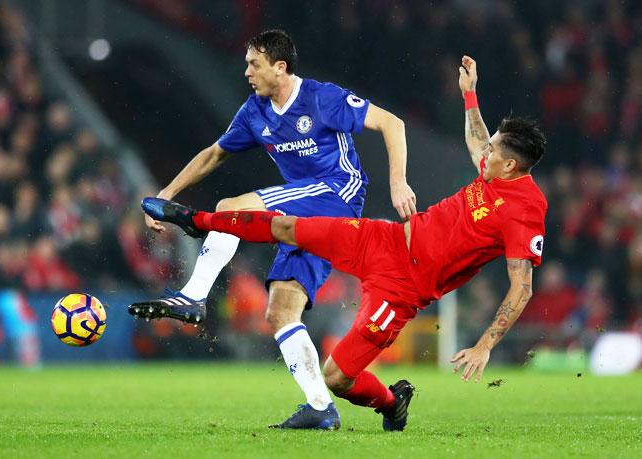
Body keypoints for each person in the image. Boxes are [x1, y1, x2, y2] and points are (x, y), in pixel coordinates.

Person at [141, 55, 548, 432]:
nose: (484, 152)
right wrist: (469, 94)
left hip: (403, 287)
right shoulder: (495, 169)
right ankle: (195, 220)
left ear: (510, 165)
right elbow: (477, 140)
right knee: (288, 225)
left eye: (494, 150)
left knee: (337, 377)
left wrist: (485, 345)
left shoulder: (525, 210)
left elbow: (522, 286)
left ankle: (391, 403)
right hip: (384, 239)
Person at [128, 29, 416, 430]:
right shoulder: (254, 111)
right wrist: (168, 190)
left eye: (254, 64)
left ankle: (193, 297)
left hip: (337, 195)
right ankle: (323, 408)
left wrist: (398, 182)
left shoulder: (320, 97)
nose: (246, 71)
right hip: (302, 219)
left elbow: (392, 123)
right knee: (280, 312)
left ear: (280, 68)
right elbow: (215, 154)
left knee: (231, 208)